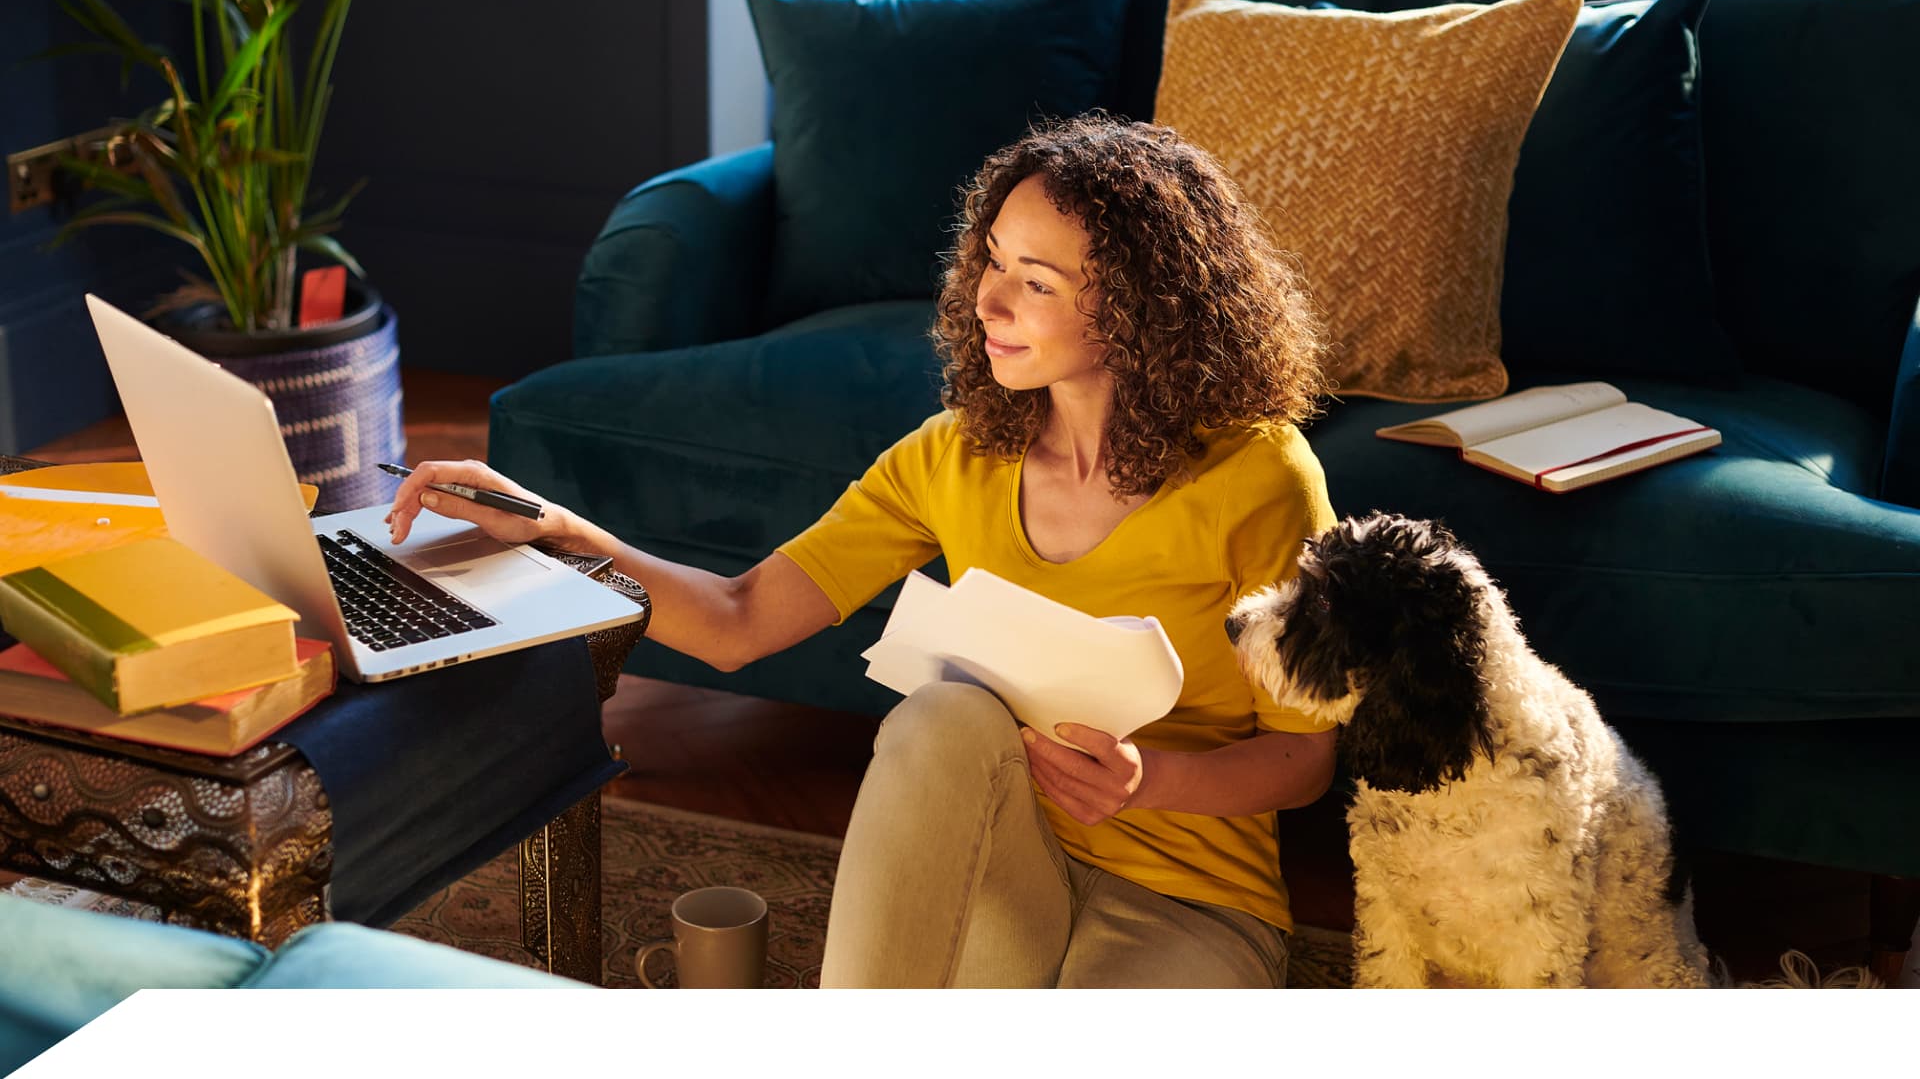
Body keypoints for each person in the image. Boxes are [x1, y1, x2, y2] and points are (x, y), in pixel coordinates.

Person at [385, 114, 1340, 988]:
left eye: (1036, 284)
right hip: (1000, 872)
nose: (988, 302)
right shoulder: (953, 455)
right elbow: (736, 621)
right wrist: (555, 533)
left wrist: (1147, 781)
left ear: (1141, 309)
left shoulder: (1258, 478)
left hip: (1191, 899)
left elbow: (1303, 759)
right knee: (945, 716)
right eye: (992, 261)